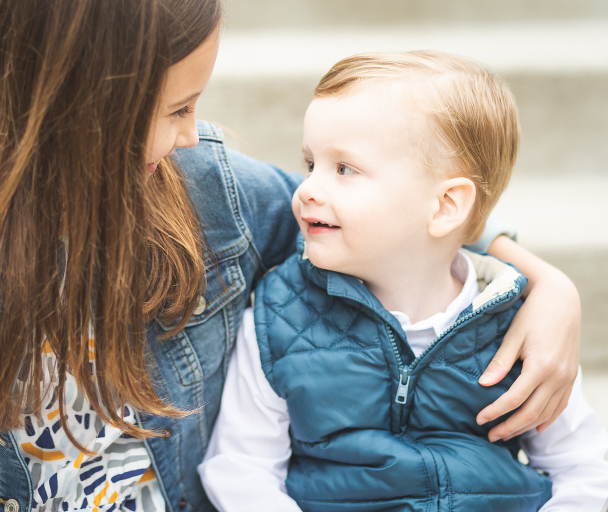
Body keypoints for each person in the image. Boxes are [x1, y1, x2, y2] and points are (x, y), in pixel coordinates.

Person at [0, 0, 584, 509]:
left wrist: (540, 278)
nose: (195, 133)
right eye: (175, 110)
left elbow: (397, 227)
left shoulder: (213, 193)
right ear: (78, 105)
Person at [199, 51, 608, 512]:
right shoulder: (279, 318)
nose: (308, 188)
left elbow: (585, 467)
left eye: (344, 169)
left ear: (445, 206)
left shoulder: (518, 328)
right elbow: (241, 468)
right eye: (311, 163)